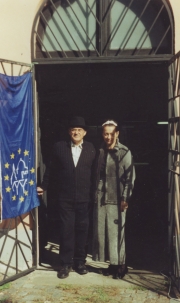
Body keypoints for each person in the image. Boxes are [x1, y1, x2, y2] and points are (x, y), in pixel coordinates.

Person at [37, 116, 96, 279]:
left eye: (79, 130)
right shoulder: (60, 147)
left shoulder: (91, 149)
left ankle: (80, 262)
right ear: (69, 132)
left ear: (84, 133)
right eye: (73, 129)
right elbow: (50, 170)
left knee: (82, 231)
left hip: (85, 199)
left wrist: (95, 194)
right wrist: (44, 186)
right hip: (65, 199)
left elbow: (96, 174)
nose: (76, 132)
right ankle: (65, 264)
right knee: (66, 231)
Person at [92, 120, 135, 279]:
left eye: (111, 133)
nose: (108, 137)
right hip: (101, 197)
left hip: (117, 198)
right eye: (106, 134)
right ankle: (112, 264)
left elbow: (130, 177)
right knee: (104, 233)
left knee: (117, 233)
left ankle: (121, 266)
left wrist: (125, 198)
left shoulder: (124, 152)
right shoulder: (100, 150)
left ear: (117, 133)